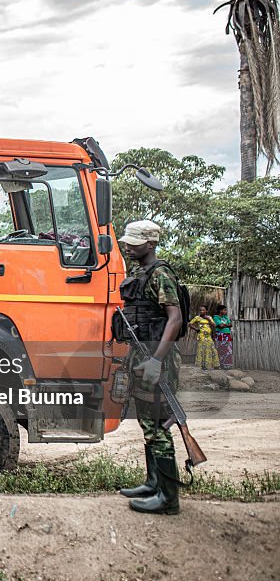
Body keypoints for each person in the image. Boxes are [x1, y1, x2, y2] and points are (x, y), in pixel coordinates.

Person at [117, 220, 184, 515]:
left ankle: (169, 498)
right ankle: (153, 482)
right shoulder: (141, 274)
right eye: (127, 241)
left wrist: (157, 360)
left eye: (134, 242)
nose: (128, 246)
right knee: (147, 424)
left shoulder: (161, 275)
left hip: (158, 358)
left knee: (157, 427)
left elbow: (175, 318)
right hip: (141, 355)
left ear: (151, 243)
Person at [188, 306, 219, 371]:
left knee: (212, 349)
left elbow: (214, 325)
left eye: (203, 310)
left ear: (206, 311)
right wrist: (196, 329)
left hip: (208, 336)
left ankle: (212, 365)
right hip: (201, 336)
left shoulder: (209, 317)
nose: (201, 311)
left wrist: (208, 319)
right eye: (200, 310)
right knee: (202, 350)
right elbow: (190, 324)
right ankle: (202, 366)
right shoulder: (197, 318)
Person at [213, 305, 234, 370]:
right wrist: (226, 325)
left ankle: (227, 365)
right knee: (220, 349)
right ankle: (219, 365)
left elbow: (231, 325)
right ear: (220, 310)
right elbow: (220, 326)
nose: (226, 311)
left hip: (227, 335)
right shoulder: (216, 317)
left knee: (228, 350)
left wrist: (224, 325)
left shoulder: (226, 317)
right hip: (220, 335)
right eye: (224, 310)